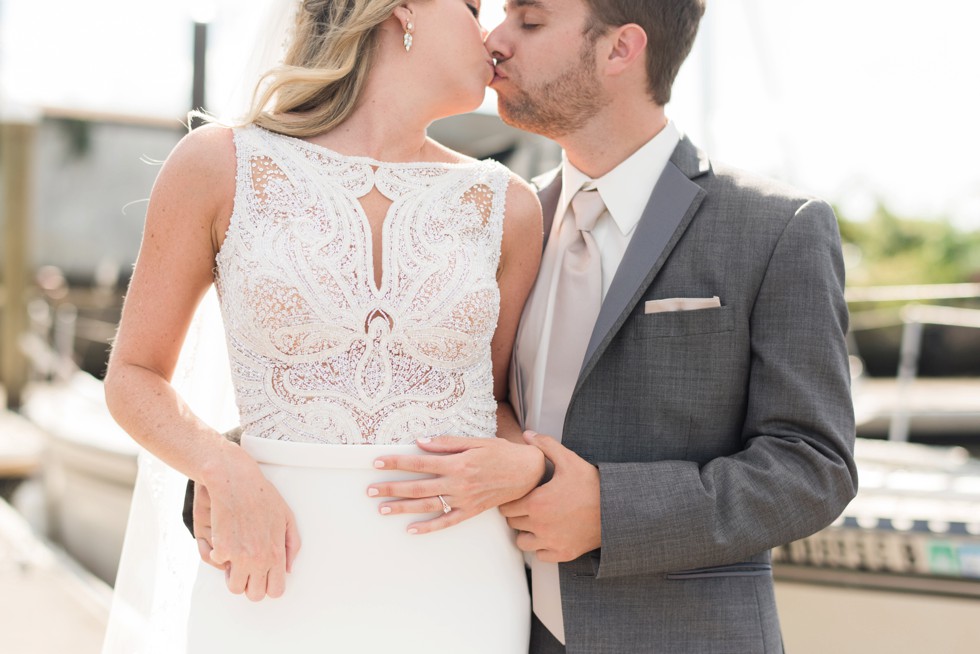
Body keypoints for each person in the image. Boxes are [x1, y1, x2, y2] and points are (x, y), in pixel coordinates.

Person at [357, 1, 859, 652]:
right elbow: (382, 383)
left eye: (530, 22)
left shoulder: (775, 228)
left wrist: (608, 512)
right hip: (492, 627)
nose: (495, 39)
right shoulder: (494, 222)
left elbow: (814, 466)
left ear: (620, 50)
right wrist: (224, 476)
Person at [103, 0, 545, 651]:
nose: (489, 33)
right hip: (269, 571)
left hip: (460, 582)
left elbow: (498, 402)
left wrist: (529, 464)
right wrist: (220, 467)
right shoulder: (220, 165)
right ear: (402, 11)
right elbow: (132, 376)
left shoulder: (506, 206)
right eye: (473, 6)